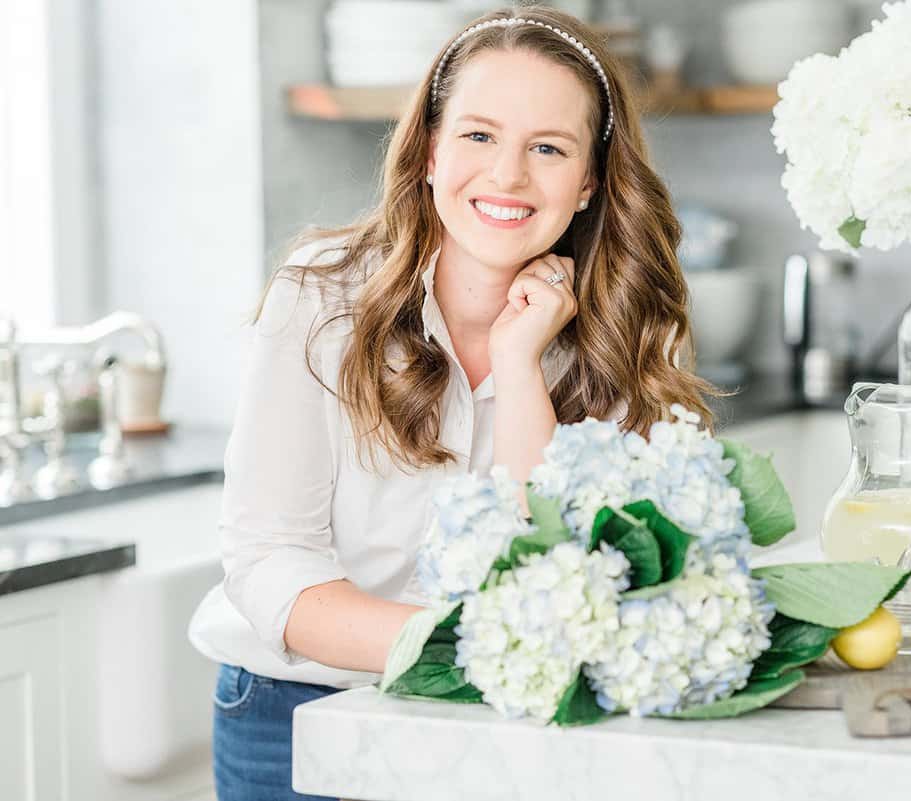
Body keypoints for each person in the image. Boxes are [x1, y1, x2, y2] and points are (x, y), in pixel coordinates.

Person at [188, 5, 717, 799]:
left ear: (588, 184)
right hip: (298, 708)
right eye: (478, 135)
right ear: (430, 151)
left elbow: (556, 569)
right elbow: (268, 562)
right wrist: (480, 640)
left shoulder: (629, 334)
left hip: (505, 717)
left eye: (548, 148)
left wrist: (519, 359)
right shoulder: (321, 297)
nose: (507, 175)